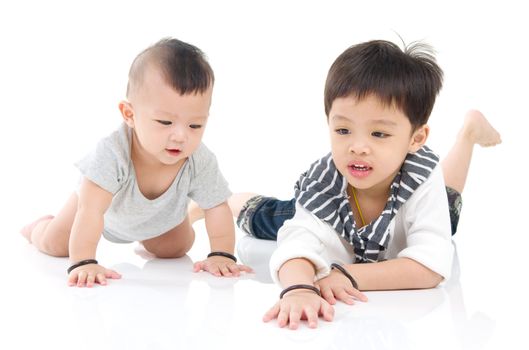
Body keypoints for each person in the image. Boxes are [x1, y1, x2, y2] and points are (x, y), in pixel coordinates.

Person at [190, 40, 501, 329]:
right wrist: (299, 288)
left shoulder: (420, 179)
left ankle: (467, 136)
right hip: (335, 213)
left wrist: (347, 273)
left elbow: (430, 267)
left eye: (379, 134)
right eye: (343, 130)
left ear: (415, 139)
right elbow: (296, 246)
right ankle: (219, 201)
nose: (358, 147)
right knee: (267, 216)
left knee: (448, 208)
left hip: (406, 202)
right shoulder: (322, 187)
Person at [20, 38, 252, 288]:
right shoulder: (112, 153)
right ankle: (37, 227)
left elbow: (217, 206)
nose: (181, 136)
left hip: (159, 218)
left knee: (175, 249)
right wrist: (84, 261)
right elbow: (91, 211)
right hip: (99, 211)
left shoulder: (199, 160)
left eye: (195, 125)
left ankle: (190, 213)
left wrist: (221, 254)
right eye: (165, 122)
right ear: (130, 114)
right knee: (55, 244)